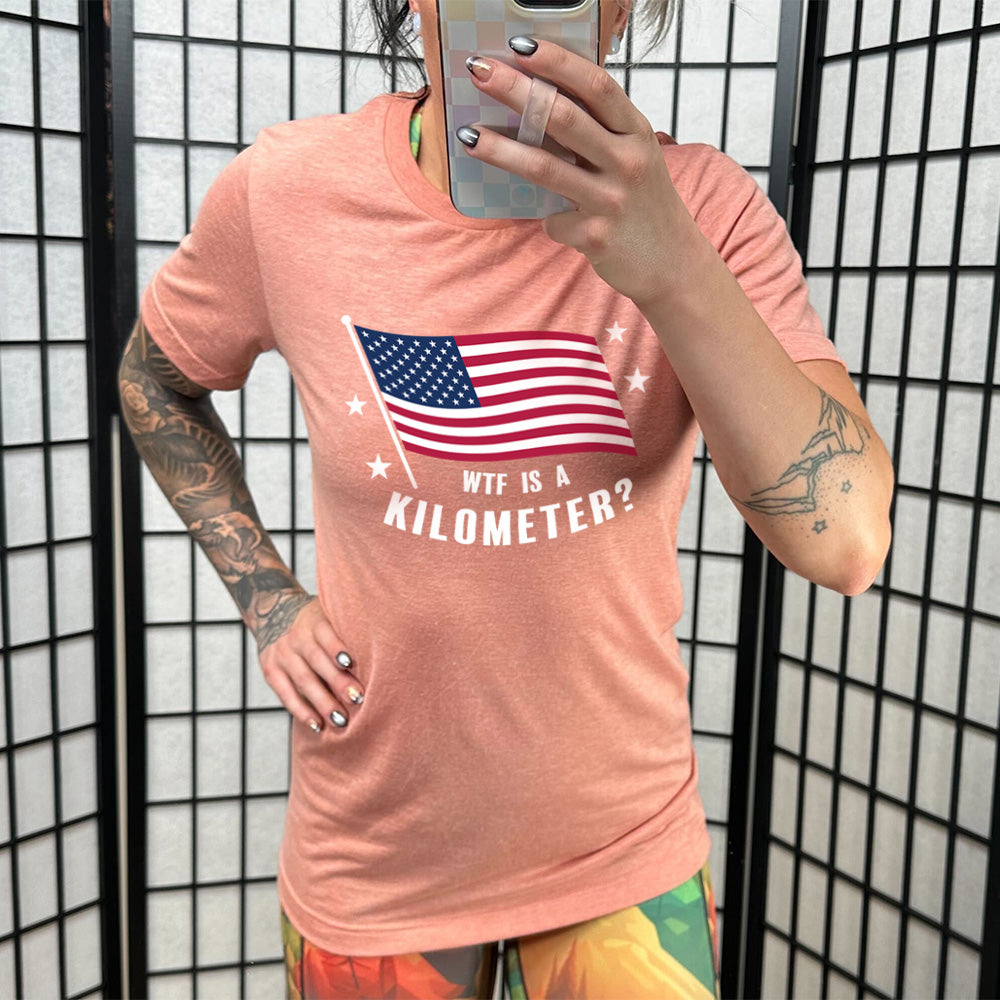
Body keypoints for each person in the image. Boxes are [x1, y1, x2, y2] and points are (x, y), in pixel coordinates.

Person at [119, 0, 894, 994]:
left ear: (624, 8)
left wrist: (671, 264)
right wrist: (268, 600)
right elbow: (154, 380)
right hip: (375, 865)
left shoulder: (708, 210)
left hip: (624, 853)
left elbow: (847, 542)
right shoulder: (288, 190)